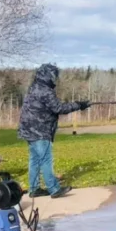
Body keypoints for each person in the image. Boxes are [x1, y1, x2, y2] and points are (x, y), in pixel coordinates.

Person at [17, 64, 90, 198]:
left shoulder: (34, 87)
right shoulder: (45, 90)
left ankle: (34, 189)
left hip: (29, 130)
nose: (55, 79)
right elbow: (58, 108)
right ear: (48, 75)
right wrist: (79, 105)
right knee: (45, 159)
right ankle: (54, 189)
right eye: (54, 76)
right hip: (39, 130)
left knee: (35, 159)